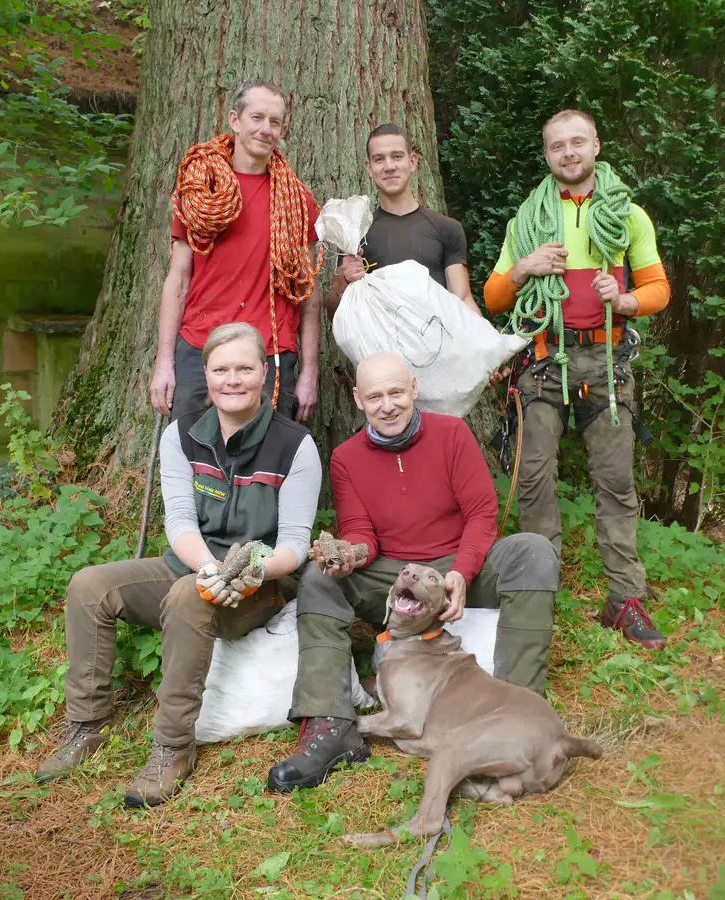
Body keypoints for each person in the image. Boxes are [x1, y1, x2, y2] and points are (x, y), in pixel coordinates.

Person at [37, 323, 321, 808]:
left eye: (245, 368)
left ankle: (172, 746)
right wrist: (211, 567)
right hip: (196, 564)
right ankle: (87, 724)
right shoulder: (181, 436)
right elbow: (182, 524)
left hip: (260, 582)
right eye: (221, 369)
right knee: (90, 586)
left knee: (191, 595)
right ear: (206, 375)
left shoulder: (295, 446)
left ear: (266, 374)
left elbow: (295, 544)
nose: (233, 379)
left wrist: (249, 571)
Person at [266, 352, 560, 792]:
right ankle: (330, 724)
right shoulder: (347, 458)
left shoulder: (452, 434)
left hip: (456, 563)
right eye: (375, 396)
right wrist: (350, 556)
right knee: (318, 580)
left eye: (396, 392)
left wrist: (461, 572)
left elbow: (482, 512)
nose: (387, 405)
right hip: (394, 571)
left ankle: (517, 704)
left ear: (414, 389)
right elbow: (363, 534)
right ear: (357, 400)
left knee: (533, 551)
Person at [482, 109, 672, 651]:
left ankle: (624, 600)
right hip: (544, 362)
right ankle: (537, 595)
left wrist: (628, 299)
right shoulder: (528, 220)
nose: (568, 153)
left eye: (577, 143)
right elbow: (496, 296)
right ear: (547, 155)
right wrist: (524, 268)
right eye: (557, 146)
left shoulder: (628, 215)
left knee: (615, 483)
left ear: (596, 146)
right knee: (536, 479)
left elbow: (659, 287)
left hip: (607, 363)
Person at [151, 79, 324, 424]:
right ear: (235, 119)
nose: (265, 129)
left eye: (274, 122)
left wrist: (310, 373)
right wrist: (163, 362)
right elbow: (178, 280)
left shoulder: (297, 202)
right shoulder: (201, 194)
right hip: (201, 349)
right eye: (256, 117)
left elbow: (308, 292)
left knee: (263, 465)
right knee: (192, 458)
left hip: (270, 354)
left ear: (283, 129)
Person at [325, 124, 476, 315]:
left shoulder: (446, 228)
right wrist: (344, 281)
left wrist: (488, 340)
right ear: (369, 168)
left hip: (437, 343)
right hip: (380, 344)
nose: (389, 166)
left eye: (397, 156)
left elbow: (462, 300)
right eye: (379, 159)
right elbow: (333, 312)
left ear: (412, 161)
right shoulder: (355, 235)